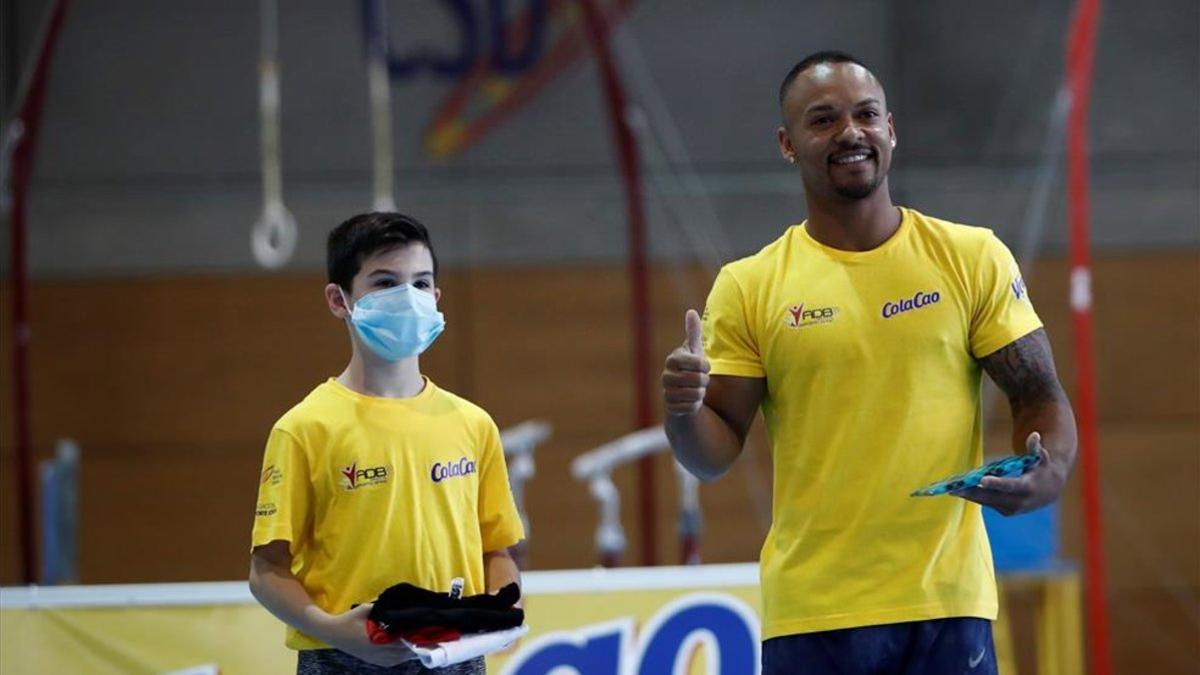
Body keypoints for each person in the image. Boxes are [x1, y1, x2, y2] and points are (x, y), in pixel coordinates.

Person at [661, 51, 1077, 674]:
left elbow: (1038, 393)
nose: (850, 132)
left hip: (947, 603)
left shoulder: (972, 257)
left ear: (891, 129)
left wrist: (1050, 471)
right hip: (813, 613)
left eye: (866, 115)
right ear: (787, 143)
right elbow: (711, 456)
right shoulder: (750, 285)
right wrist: (682, 412)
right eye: (823, 120)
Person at [249, 212, 525, 674]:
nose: (408, 298)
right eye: (384, 282)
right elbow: (265, 573)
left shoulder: (473, 424)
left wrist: (499, 609)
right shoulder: (304, 428)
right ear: (339, 300)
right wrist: (334, 629)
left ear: (436, 297)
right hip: (340, 659)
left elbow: (497, 550)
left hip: (456, 658)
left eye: (420, 283)